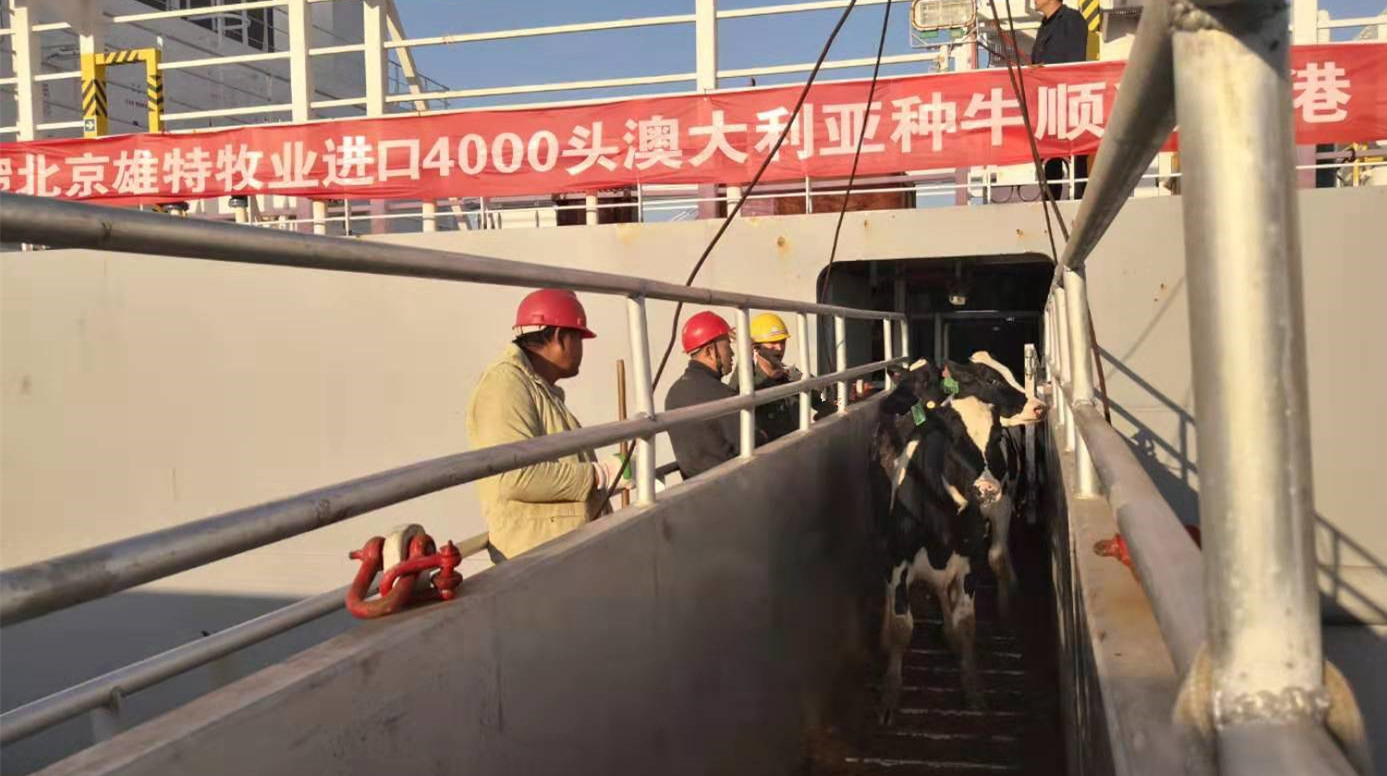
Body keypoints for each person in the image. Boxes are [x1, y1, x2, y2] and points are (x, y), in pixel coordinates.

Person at [466, 289, 629, 563]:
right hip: (540, 560)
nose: (581, 348)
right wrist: (601, 474)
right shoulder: (504, 383)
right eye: (579, 338)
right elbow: (515, 476)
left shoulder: (536, 387)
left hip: (562, 553)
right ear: (560, 337)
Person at [665, 310, 741, 479]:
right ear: (709, 351)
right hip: (731, 487)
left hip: (695, 489)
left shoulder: (673, 393)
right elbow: (753, 444)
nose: (732, 353)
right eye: (727, 345)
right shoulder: (722, 395)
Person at [726, 312, 822, 442]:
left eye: (782, 342)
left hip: (798, 447)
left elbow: (820, 393)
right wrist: (745, 355)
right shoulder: (749, 381)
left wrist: (831, 411)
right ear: (756, 347)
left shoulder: (791, 373)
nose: (779, 348)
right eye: (773, 342)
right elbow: (733, 401)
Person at [1030, 0, 1090, 200]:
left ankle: (1079, 194)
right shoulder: (1044, 26)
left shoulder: (1072, 20)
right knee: (1049, 153)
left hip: (1068, 98)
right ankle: (1051, 196)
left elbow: (1075, 60)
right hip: (1047, 101)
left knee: (1076, 149)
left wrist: (1046, 70)